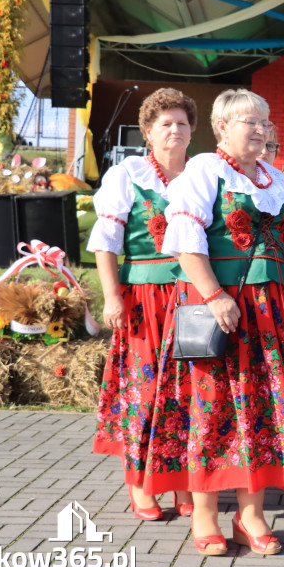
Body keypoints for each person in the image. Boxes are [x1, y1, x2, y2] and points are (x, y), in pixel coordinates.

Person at [143, 89, 284, 557]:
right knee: (215, 409)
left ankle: (251, 515)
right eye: (249, 120)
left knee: (267, 412)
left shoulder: (277, 179)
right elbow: (185, 240)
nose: (260, 128)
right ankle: (205, 515)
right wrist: (214, 296)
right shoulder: (204, 170)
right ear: (222, 127)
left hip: (275, 312)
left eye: (264, 121)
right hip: (225, 308)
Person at [89, 87, 195, 521]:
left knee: (187, 390)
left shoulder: (202, 175)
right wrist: (113, 296)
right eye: (165, 124)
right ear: (148, 132)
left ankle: (182, 481)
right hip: (145, 298)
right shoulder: (128, 174)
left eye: (183, 123)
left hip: (190, 297)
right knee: (144, 388)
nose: (175, 131)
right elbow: (105, 242)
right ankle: (139, 481)